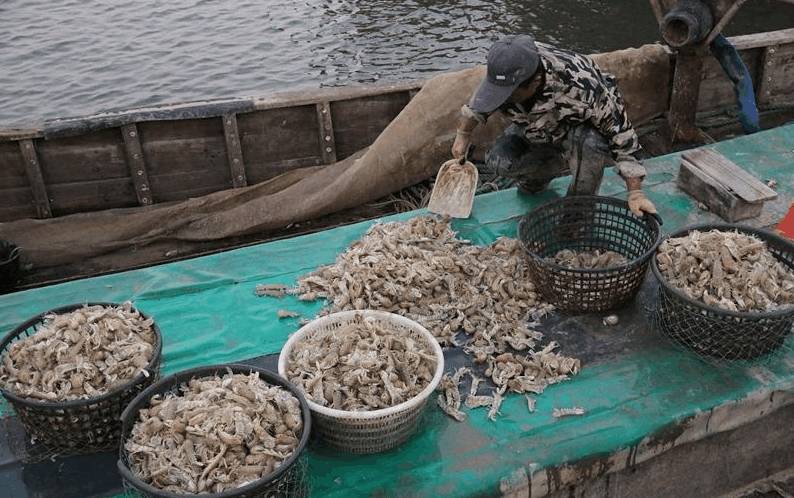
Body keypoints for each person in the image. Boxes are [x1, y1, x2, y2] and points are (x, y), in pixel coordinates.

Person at [452, 34, 657, 217]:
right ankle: (545, 172)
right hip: (535, 128)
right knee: (499, 160)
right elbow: (477, 107)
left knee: (591, 143)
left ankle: (579, 209)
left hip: (577, 131)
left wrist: (635, 193)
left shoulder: (582, 88)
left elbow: (623, 138)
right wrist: (463, 135)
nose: (501, 99)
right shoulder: (508, 67)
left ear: (535, 82)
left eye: (509, 94)